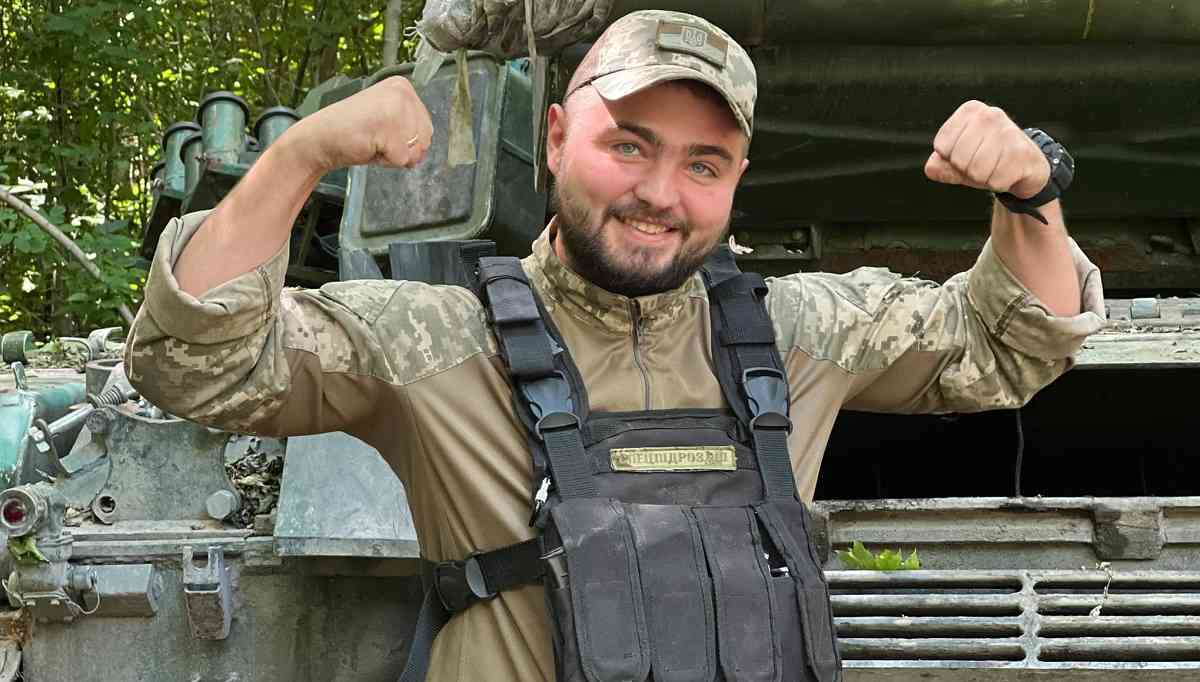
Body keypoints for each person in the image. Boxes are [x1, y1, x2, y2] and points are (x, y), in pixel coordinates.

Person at [125, 9, 1104, 682]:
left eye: (703, 164)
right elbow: (196, 360)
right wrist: (300, 155)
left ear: (738, 178)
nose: (659, 195)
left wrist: (1030, 195)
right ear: (556, 137)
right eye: (627, 144)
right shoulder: (433, 338)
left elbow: (1008, 344)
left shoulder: (801, 330)